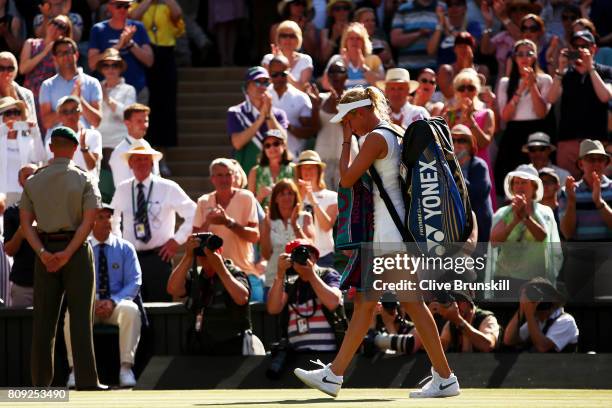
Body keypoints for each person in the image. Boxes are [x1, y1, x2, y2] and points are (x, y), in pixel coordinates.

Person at [294, 86, 460, 398]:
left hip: (389, 237)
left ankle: (444, 377)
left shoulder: (374, 138)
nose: (349, 125)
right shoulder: (394, 132)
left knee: (385, 305)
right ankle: (337, 374)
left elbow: (345, 178)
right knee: (375, 305)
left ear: (360, 112)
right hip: (394, 235)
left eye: (349, 118)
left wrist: (346, 140)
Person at [19, 126, 105, 390]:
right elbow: (89, 222)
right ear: (75, 149)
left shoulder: (35, 180)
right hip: (75, 252)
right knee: (80, 319)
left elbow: (26, 225)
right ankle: (87, 382)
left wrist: (44, 253)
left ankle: (40, 385)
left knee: (43, 322)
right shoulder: (84, 178)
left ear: (51, 147)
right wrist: (67, 253)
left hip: (45, 250)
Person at [64, 205, 142, 388]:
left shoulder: (126, 248)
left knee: (131, 310)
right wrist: (91, 302)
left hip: (115, 305)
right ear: (90, 222)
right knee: (71, 315)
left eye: (109, 217)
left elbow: (135, 282)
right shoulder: (80, 249)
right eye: (101, 217)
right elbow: (71, 282)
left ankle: (126, 368)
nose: (107, 221)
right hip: (88, 306)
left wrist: (113, 301)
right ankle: (75, 370)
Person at [111, 146, 196, 302]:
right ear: (130, 164)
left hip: (159, 258)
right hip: (131, 258)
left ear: (152, 164)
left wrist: (177, 241)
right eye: (137, 159)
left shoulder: (168, 187)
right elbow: (113, 220)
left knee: (160, 306)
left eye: (145, 159)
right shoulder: (123, 189)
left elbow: (194, 213)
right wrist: (119, 245)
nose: (142, 163)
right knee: (133, 308)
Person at [166, 233, 251, 355]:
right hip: (201, 345)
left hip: (232, 345)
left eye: (209, 254)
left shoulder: (234, 273)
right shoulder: (196, 276)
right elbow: (173, 289)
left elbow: (242, 298)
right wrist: (188, 256)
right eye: (202, 256)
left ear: (220, 250)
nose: (206, 259)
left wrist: (220, 268)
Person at [193, 158, 262, 302]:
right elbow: (194, 242)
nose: (224, 179)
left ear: (234, 176)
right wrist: (208, 222)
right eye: (219, 175)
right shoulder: (203, 201)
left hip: (245, 272)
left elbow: (255, 236)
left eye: (228, 174)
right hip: (213, 274)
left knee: (256, 314)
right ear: (212, 178)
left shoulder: (246, 197)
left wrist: (228, 222)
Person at [488, 164, 562, 297]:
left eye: (524, 182)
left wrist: (526, 217)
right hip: (507, 280)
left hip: (536, 281)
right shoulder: (502, 213)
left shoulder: (545, 213)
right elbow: (494, 242)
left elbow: (542, 237)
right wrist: (514, 221)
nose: (519, 186)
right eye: (516, 182)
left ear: (534, 187)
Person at [546, 30, 612, 178]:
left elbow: (605, 96)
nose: (580, 50)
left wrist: (591, 69)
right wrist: (560, 69)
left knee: (597, 184)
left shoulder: (605, 71)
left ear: (594, 49)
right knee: (568, 185)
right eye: (576, 46)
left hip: (596, 141)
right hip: (568, 141)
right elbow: (550, 99)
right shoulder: (565, 74)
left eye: (585, 46)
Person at [495, 39, 553, 191]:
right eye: (520, 54)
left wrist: (532, 84)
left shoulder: (545, 80)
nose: (524, 57)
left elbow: (541, 113)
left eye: (529, 53)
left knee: (537, 181)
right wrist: (520, 89)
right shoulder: (505, 83)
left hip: (537, 133)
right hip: (513, 135)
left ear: (535, 57)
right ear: (514, 58)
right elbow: (505, 116)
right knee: (513, 182)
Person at [267, 239, 344, 352]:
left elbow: (333, 302)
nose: (303, 257)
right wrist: (279, 274)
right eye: (297, 254)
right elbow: (273, 309)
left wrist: (311, 275)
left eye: (307, 252)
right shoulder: (290, 283)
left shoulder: (328, 275)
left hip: (328, 356)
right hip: (296, 357)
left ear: (316, 257)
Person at [129, 0, 184, 148]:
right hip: (145, 56)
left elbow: (177, 14)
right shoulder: (136, 4)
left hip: (166, 56)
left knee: (166, 106)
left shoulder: (168, 5)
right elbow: (133, 16)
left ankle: (164, 153)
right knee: (148, 104)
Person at [444, 68, 496, 209]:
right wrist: (452, 116)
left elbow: (484, 142)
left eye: (471, 87)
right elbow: (442, 142)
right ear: (456, 91)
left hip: (479, 164)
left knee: (481, 204)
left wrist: (471, 121)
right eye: (462, 88)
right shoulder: (450, 115)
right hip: (455, 166)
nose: (466, 92)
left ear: (477, 90)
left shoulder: (486, 113)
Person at [88, 0, 154, 102]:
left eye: (126, 6)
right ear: (109, 7)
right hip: (106, 92)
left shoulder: (138, 28)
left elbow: (149, 61)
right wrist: (119, 45)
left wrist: (130, 43)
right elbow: (92, 64)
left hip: (137, 89)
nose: (123, 9)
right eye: (119, 6)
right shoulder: (98, 29)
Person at [227, 66, 288, 174]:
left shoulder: (279, 114)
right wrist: (261, 118)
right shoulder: (236, 112)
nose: (262, 87)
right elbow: (237, 143)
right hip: (246, 170)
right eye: (257, 82)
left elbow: (283, 140)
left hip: (273, 172)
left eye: (265, 83)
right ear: (247, 87)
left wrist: (268, 114)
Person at [96, 48, 137, 201]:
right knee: (102, 189)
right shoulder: (96, 86)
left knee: (120, 187)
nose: (110, 69)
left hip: (119, 144)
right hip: (99, 144)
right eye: (106, 65)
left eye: (114, 65)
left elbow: (127, 115)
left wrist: (107, 99)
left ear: (120, 68)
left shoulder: (129, 89)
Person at [261, 179, 315, 291]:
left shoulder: (305, 217)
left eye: (290, 193)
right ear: (275, 198)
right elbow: (266, 255)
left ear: (296, 196)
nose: (286, 197)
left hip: (302, 281)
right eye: (282, 194)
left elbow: (312, 249)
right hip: (274, 280)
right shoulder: (267, 220)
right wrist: (266, 228)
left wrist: (295, 225)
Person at [39, 37, 103, 131]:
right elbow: (46, 123)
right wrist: (70, 103)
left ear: (76, 55)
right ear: (55, 58)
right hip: (58, 142)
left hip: (85, 141)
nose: (65, 56)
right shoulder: (47, 85)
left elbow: (96, 122)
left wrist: (80, 100)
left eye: (68, 52)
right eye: (60, 53)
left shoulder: (92, 82)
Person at [19, 14, 73, 124]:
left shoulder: (62, 53)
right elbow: (23, 69)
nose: (56, 27)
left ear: (64, 33)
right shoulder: (31, 43)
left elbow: (63, 75)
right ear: (49, 24)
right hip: (30, 97)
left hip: (50, 101)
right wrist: (44, 52)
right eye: (55, 22)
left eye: (61, 27)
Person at [503, 278, 579, 352]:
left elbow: (542, 347)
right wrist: (522, 307)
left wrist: (529, 313)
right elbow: (509, 340)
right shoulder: (537, 321)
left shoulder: (566, 321)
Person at [559, 139, 612, 242]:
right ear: (581, 164)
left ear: (605, 164)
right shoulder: (567, 191)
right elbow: (567, 233)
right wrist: (571, 202)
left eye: (600, 159)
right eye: (591, 159)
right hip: (579, 256)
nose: (596, 163)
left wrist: (599, 202)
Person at [295, 150, 338, 268]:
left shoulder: (332, 196)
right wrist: (300, 197)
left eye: (312, 167)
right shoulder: (293, 196)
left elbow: (326, 226)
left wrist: (312, 199)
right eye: (304, 168)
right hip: (298, 254)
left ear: (319, 171)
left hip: (324, 256)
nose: (308, 171)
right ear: (299, 171)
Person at [267, 55, 316, 158]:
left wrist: (287, 126)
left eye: (283, 74)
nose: (279, 78)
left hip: (294, 157)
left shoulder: (301, 97)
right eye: (275, 74)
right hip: (267, 159)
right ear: (269, 74)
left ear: (289, 72)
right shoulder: (263, 95)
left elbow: (309, 132)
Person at [44, 96, 102, 181]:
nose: (70, 115)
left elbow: (92, 166)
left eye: (74, 110)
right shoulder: (52, 140)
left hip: (88, 189)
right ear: (59, 115)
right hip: (65, 189)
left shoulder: (94, 135)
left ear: (81, 112)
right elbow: (54, 170)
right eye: (65, 111)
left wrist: (84, 147)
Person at [0, 96, 45, 206]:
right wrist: (5, 128)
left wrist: (36, 134)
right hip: (1, 195)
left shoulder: (27, 139)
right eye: (9, 113)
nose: (14, 117)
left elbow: (40, 158)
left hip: (23, 194)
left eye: (17, 112)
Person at [3, 164, 37, 307]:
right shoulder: (12, 212)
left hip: (50, 284)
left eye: (34, 175)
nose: (30, 179)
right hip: (23, 285)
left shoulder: (52, 208)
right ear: (19, 182)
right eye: (26, 176)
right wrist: (21, 232)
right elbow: (9, 250)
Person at [451, 124, 492, 242]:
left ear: (470, 144)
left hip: (480, 225)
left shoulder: (479, 165)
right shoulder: (445, 167)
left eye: (462, 140)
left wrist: (456, 169)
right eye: (452, 140)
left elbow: (478, 193)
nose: (456, 144)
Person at [314, 60, 350, 189]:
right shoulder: (321, 99)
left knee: (346, 199)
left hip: (346, 157)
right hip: (323, 156)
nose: (335, 75)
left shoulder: (353, 99)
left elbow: (352, 127)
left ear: (346, 76)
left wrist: (337, 109)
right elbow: (314, 129)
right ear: (327, 77)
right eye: (332, 72)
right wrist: (314, 107)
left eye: (340, 71)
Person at [429, 290, 500, 352]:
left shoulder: (487, 319)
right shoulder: (451, 323)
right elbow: (439, 349)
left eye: (460, 300)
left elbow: (487, 346)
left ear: (469, 301)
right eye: (452, 301)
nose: (456, 306)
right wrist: (429, 315)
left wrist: (459, 321)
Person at [108, 103, 159, 188]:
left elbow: (156, 176)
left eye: (146, 121)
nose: (144, 125)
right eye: (139, 121)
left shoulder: (146, 145)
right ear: (127, 123)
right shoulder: (119, 152)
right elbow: (122, 187)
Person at [325, 22, 385, 89]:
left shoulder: (374, 59)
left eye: (358, 38)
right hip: (344, 98)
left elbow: (382, 86)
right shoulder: (336, 59)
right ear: (345, 41)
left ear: (364, 42)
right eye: (351, 38)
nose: (355, 41)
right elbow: (325, 85)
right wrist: (344, 68)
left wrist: (363, 67)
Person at [247, 129, 295, 207]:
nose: (272, 148)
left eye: (276, 144)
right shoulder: (255, 171)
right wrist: (259, 197)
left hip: (289, 217)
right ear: (264, 149)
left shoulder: (294, 169)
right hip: (263, 217)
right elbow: (249, 206)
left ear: (284, 145)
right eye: (267, 145)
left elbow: (299, 198)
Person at [263, 19, 314, 90]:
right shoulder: (268, 59)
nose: (288, 39)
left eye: (292, 36)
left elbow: (302, 88)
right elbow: (268, 86)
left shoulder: (305, 60)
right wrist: (277, 62)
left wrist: (283, 68)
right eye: (284, 35)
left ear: (298, 39)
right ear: (278, 38)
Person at [390, 0, 438, 73]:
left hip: (433, 70)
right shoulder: (403, 9)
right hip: (407, 70)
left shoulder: (441, 8)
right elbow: (395, 40)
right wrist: (419, 34)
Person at [436, 31, 483, 100]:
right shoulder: (446, 70)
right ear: (454, 49)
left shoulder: (481, 70)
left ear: (472, 49)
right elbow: (448, 94)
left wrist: (468, 67)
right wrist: (465, 70)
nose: (463, 50)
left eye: (466, 46)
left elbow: (480, 95)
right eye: (460, 46)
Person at [271, 1, 319, 67]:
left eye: (303, 4)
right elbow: (276, 49)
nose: (300, 7)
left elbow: (313, 53)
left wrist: (302, 31)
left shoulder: (310, 27)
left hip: (304, 66)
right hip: (281, 65)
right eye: (297, 3)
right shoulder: (276, 27)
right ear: (288, 6)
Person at [0, 51, 37, 124]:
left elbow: (33, 123)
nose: (6, 72)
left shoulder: (27, 94)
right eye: (1, 68)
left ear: (16, 70)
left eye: (10, 68)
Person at [320, 0, 353, 65]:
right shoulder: (325, 32)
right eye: (337, 9)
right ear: (332, 12)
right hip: (332, 69)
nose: (342, 11)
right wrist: (334, 37)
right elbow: (324, 57)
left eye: (345, 8)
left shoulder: (356, 28)